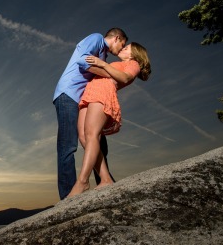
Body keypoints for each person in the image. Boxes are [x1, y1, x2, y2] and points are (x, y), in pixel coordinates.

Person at [67, 42, 152, 197]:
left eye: (126, 48)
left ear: (134, 54)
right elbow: (92, 68)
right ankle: (105, 178)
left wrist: (102, 63)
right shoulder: (118, 63)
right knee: (83, 136)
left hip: (103, 93)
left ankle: (82, 181)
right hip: (90, 93)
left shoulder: (133, 64)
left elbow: (125, 78)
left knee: (92, 134)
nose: (122, 48)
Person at [53, 28, 128, 200]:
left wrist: (106, 68)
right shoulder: (96, 39)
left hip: (84, 100)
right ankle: (68, 196)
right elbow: (83, 61)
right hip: (68, 94)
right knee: (68, 145)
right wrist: (110, 72)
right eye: (122, 44)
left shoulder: (103, 56)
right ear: (117, 38)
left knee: (98, 142)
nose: (121, 50)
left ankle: (105, 181)